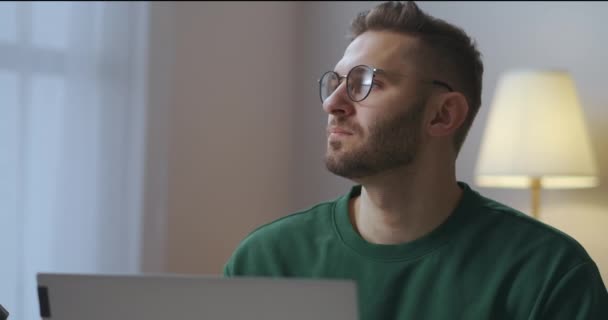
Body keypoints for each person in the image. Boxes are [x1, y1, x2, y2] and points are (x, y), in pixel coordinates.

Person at [223, 1, 608, 319]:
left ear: (442, 115)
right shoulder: (267, 261)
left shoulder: (548, 273)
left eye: (365, 83)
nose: (332, 103)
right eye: (335, 82)